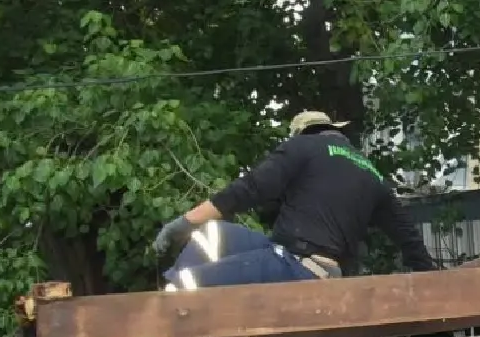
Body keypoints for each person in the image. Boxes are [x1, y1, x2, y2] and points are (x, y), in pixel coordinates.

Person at [151, 111, 440, 287]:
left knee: (183, 289)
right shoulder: (372, 173)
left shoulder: (302, 147)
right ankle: (184, 287)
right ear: (334, 130)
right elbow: (409, 238)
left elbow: (251, 187)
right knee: (212, 234)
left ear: (300, 133)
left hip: (300, 267)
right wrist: (434, 281)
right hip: (296, 260)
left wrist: (184, 222)